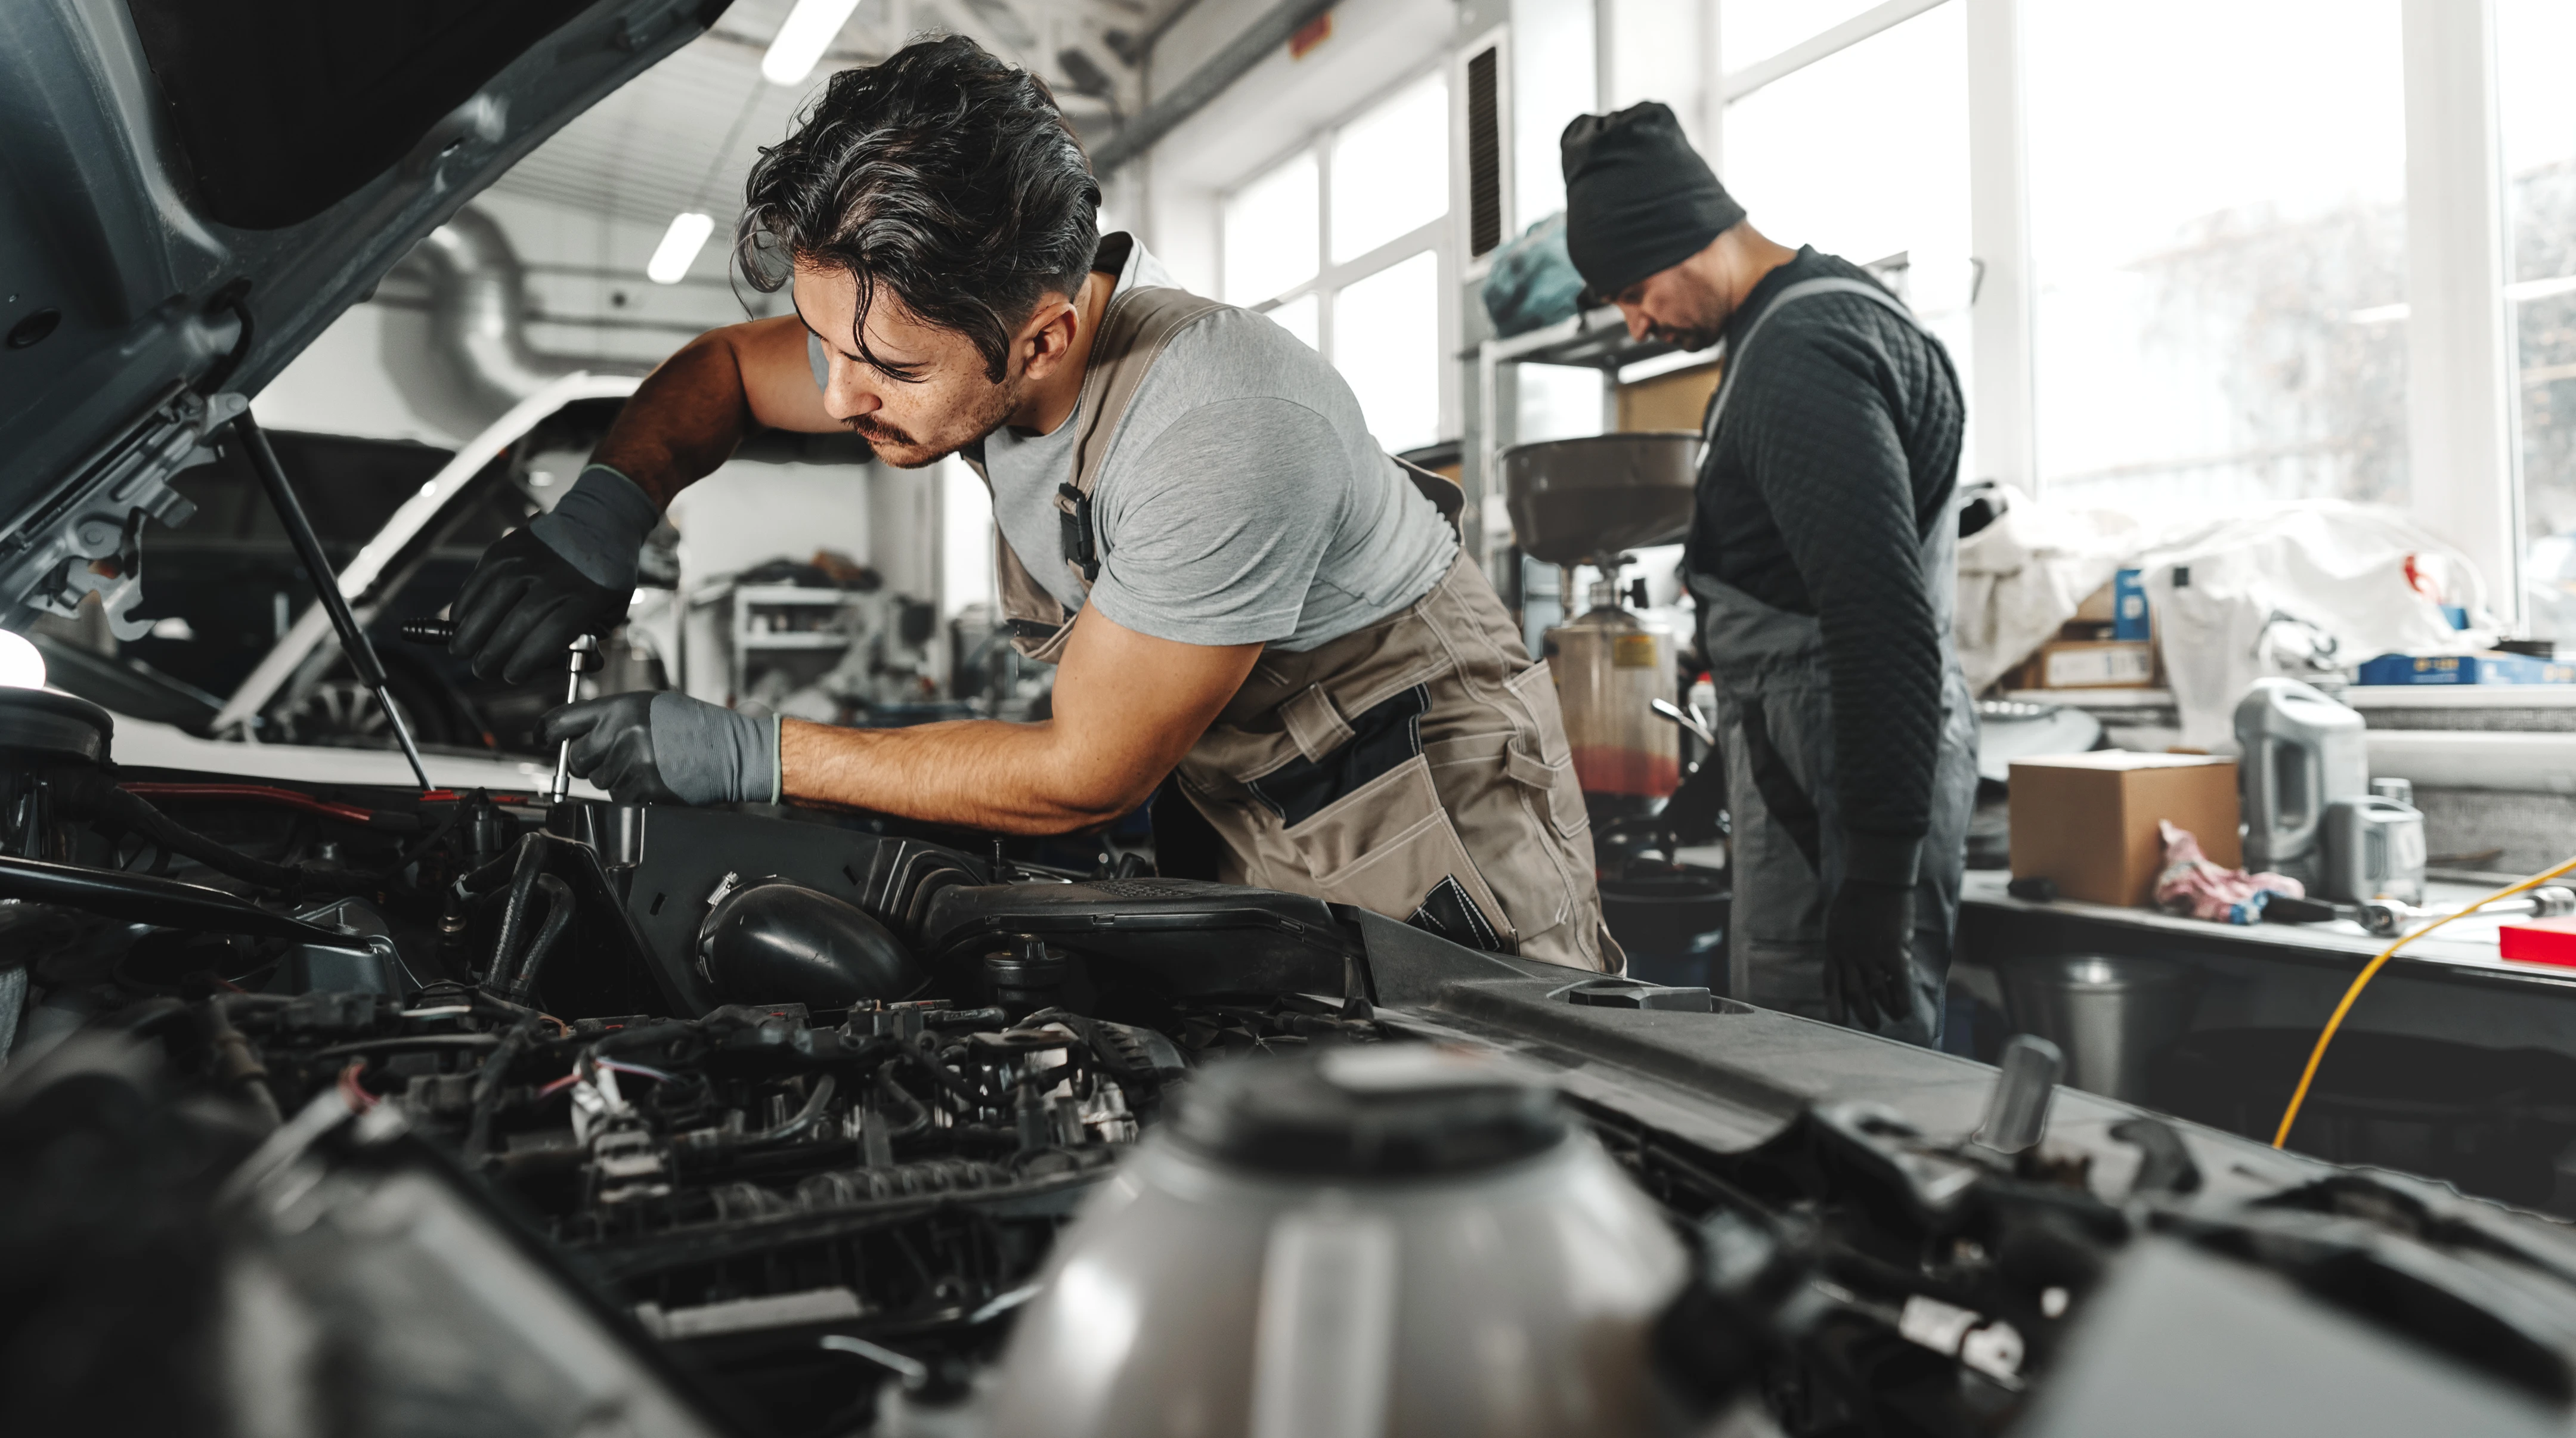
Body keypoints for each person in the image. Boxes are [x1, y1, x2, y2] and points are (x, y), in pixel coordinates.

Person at [447, 36, 1615, 971]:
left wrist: (748, 754)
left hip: (1417, 811)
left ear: (1046, 333)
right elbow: (720, 374)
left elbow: (1084, 774)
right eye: (821, 343)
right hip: (1232, 805)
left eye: (891, 372)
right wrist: (601, 515)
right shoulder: (925, 326)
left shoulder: (1222, 416)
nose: (836, 395)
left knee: (1508, 1134)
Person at [1558, 101, 1974, 1040]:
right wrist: (1727, 762)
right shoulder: (1815, 320)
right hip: (1819, 765)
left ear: (1681, 236)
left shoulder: (1798, 358)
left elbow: (1881, 626)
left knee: (1831, 1082)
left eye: (1634, 293)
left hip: (1850, 785)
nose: (1636, 324)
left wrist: (1875, 877)